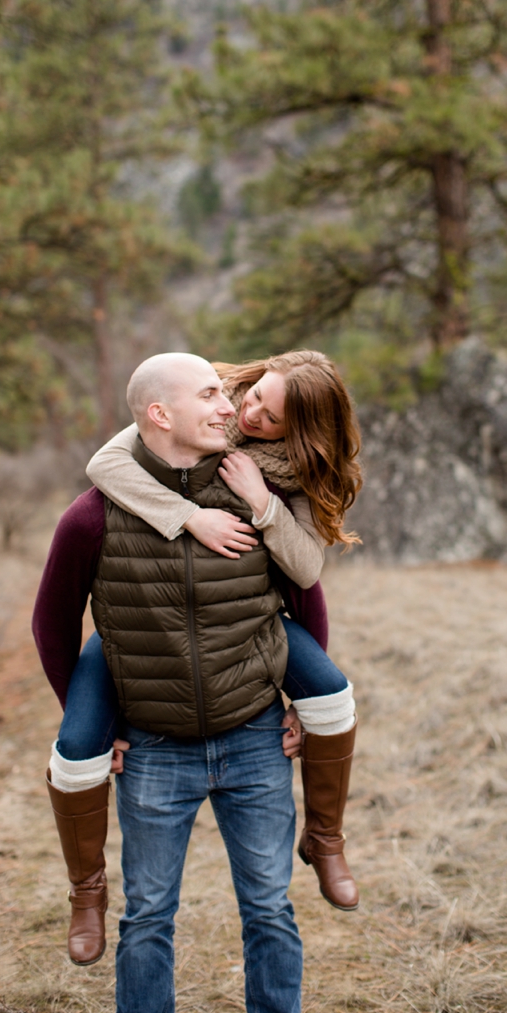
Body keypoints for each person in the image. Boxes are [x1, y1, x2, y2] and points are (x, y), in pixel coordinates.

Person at [33, 353, 304, 1013]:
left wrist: (297, 699)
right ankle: (86, 892)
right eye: (208, 394)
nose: (228, 406)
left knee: (271, 907)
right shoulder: (91, 517)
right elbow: (52, 622)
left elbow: (303, 597)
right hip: (153, 749)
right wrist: (95, 729)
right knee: (148, 916)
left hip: (256, 738)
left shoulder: (249, 491)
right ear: (160, 414)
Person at [79, 349, 365, 914]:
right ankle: (84, 889)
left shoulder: (296, 476)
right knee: (75, 745)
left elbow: (306, 574)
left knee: (333, 698)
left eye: (271, 417)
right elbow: (105, 465)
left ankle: (326, 838)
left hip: (249, 625)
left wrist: (262, 502)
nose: (249, 414)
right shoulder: (207, 402)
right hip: (151, 614)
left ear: (300, 434)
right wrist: (188, 516)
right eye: (257, 393)